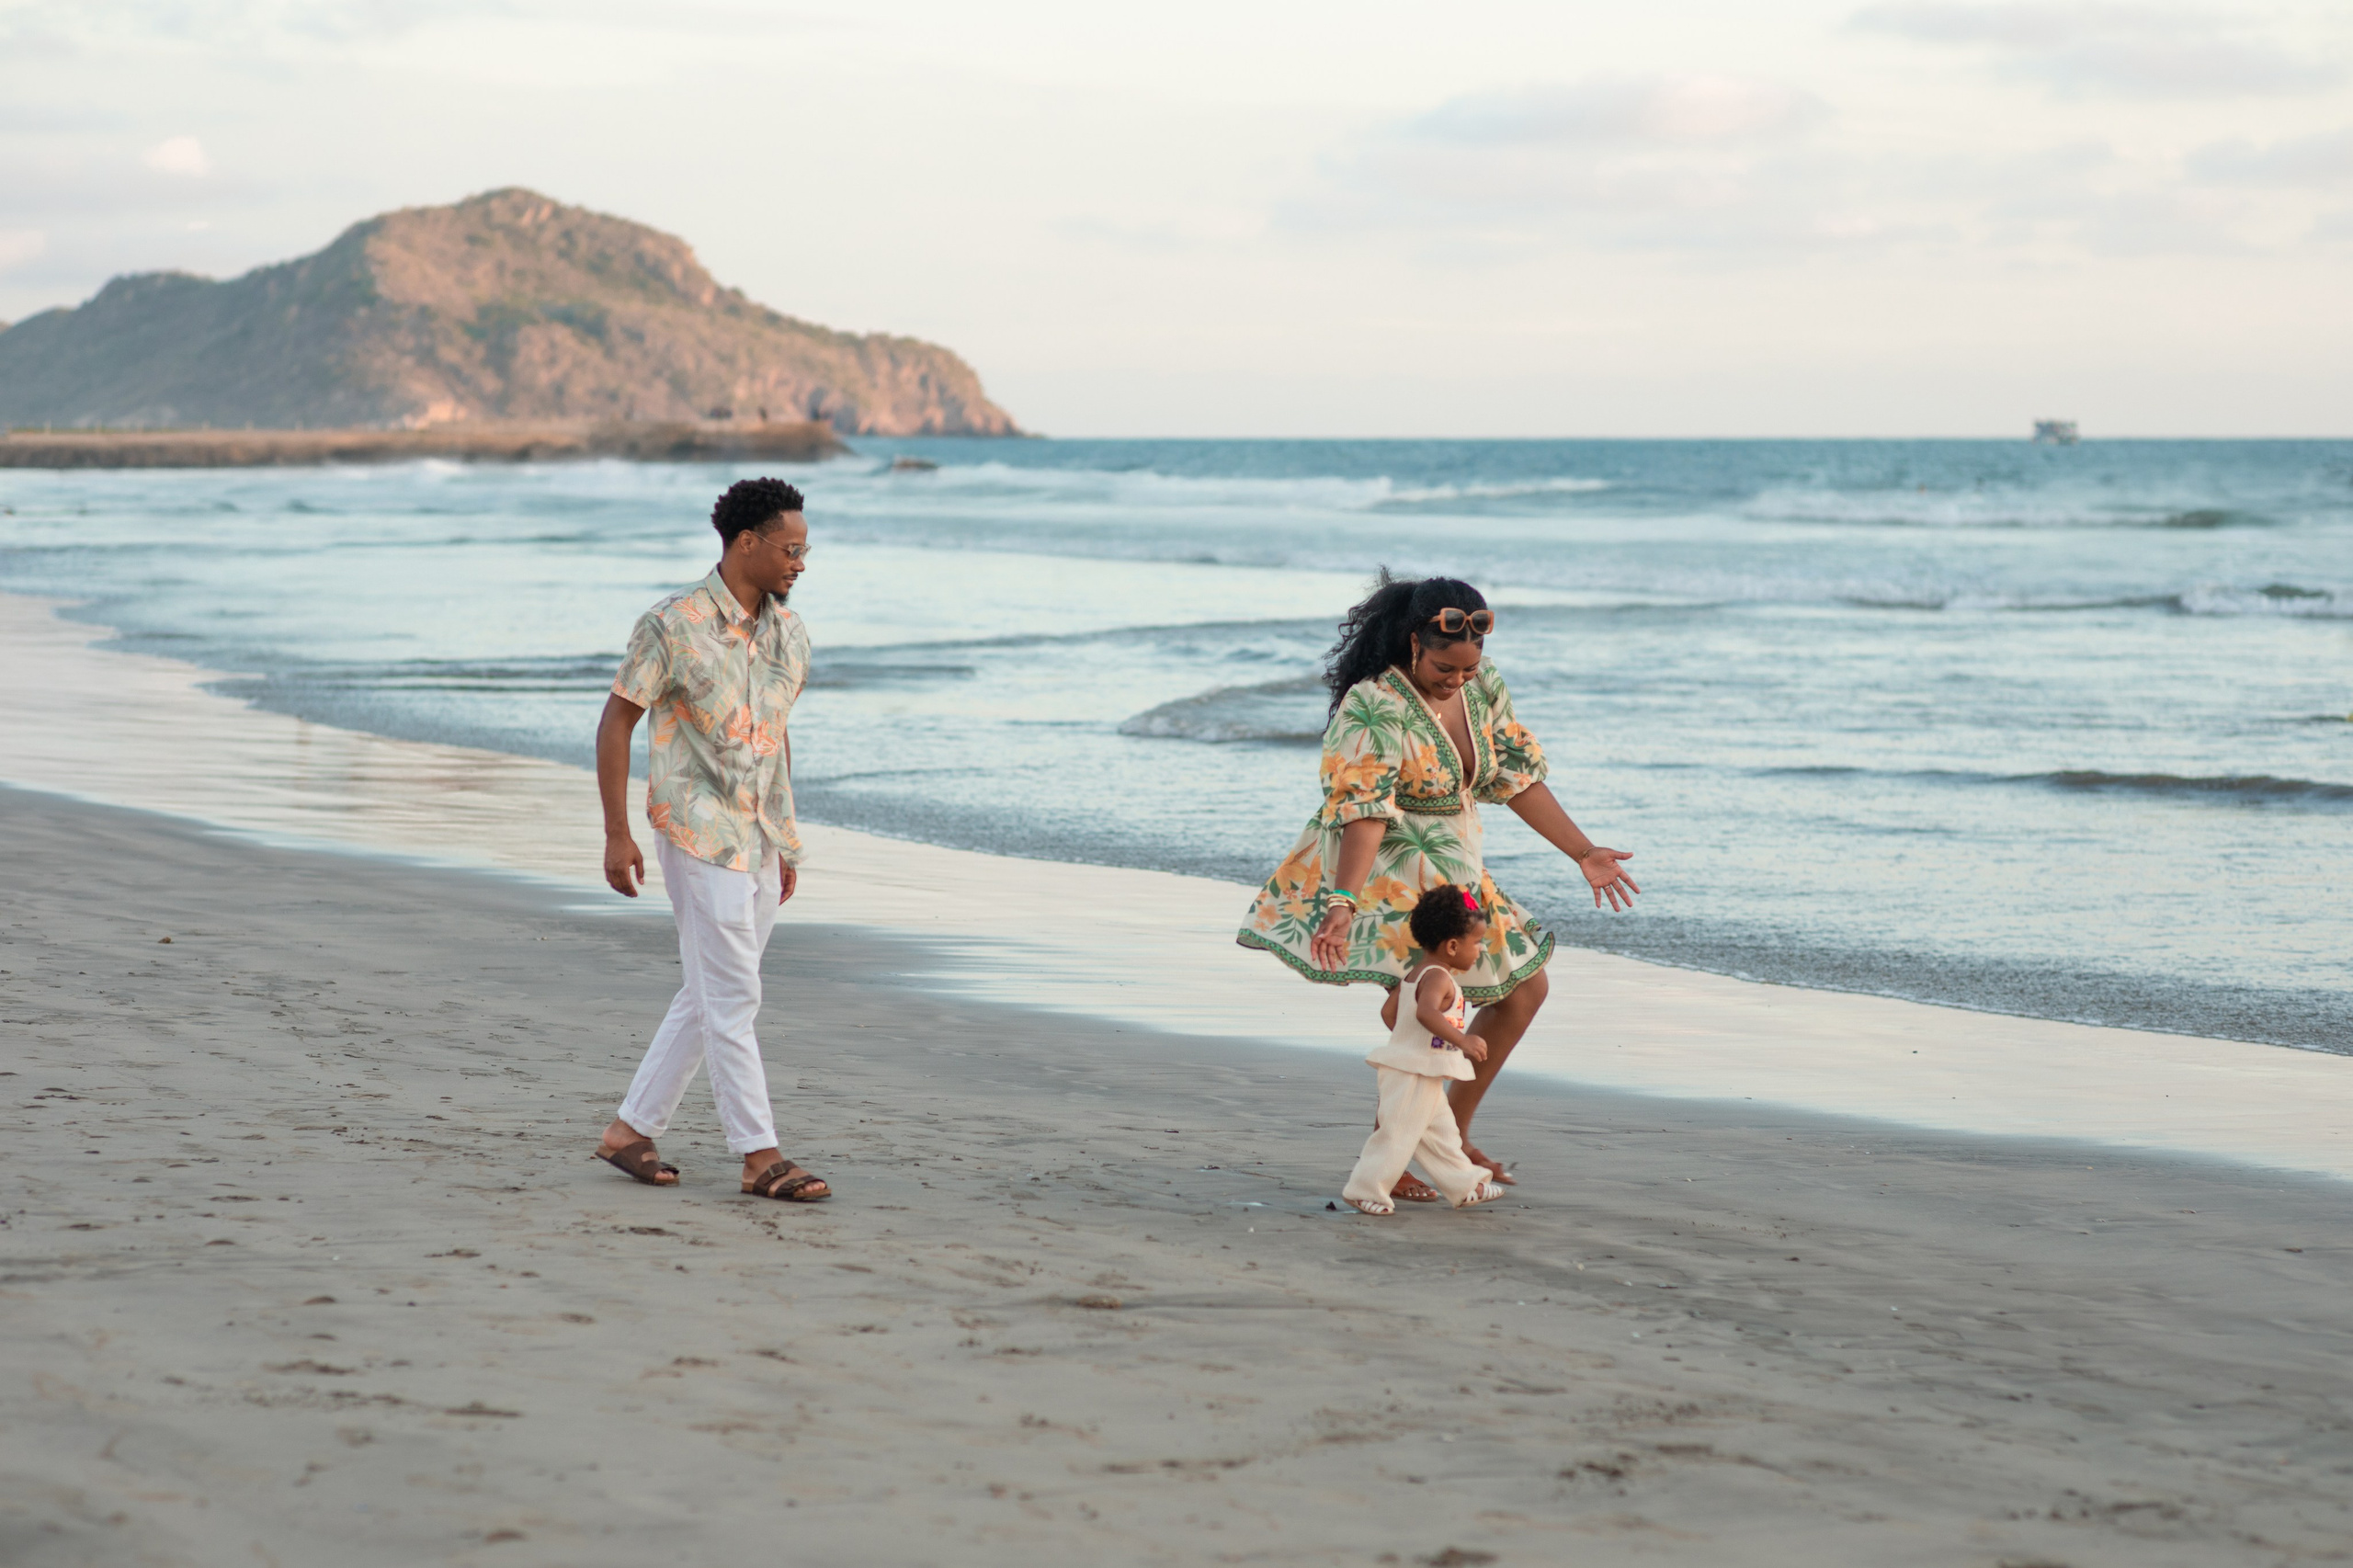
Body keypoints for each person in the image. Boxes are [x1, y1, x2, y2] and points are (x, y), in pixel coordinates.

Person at [1237, 571, 1638, 1190]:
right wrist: (1343, 901)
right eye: (1443, 670)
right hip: (1388, 861)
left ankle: (1446, 1135)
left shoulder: (1483, 687)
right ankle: (1405, 1155)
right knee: (1425, 1007)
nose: (1456, 681)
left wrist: (1582, 852)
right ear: (1412, 643)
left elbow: (1515, 779)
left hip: (1457, 860)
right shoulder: (1374, 702)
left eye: (1467, 670)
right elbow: (1365, 810)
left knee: (1519, 994)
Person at [590, 476, 832, 1203]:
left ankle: (629, 1131)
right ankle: (760, 1157)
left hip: (759, 836)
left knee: (710, 993)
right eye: (790, 549)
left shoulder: (791, 635)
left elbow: (775, 737)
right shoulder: (673, 624)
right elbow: (616, 722)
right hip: (696, 831)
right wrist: (616, 834)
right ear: (746, 543)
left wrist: (784, 840)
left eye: (805, 550)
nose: (800, 563)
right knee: (733, 997)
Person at [1341, 885, 1507, 1215]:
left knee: (1442, 1134)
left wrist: (1409, 1040)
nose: (1480, 949)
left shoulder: (1415, 973)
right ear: (1452, 945)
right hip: (1413, 1072)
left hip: (1419, 1067)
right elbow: (1425, 1013)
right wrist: (1462, 1041)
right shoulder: (1438, 978)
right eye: (1477, 942)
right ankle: (1365, 1189)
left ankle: (1464, 1185)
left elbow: (1390, 1014)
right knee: (1397, 1132)